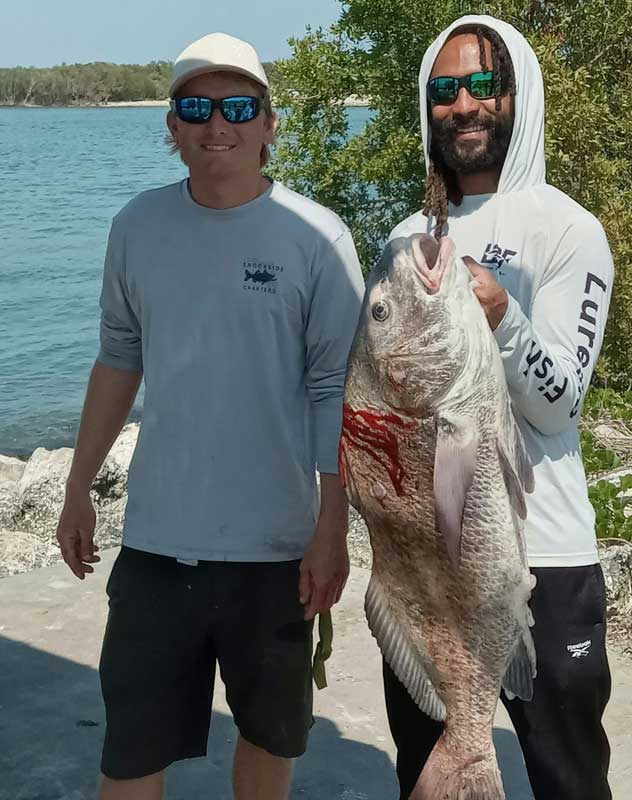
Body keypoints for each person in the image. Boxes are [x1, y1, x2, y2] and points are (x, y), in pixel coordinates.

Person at [55, 32, 365, 800]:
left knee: (269, 741)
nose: (216, 123)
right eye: (196, 106)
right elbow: (118, 359)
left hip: (277, 549)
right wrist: (76, 488)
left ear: (269, 123)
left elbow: (339, 390)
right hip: (158, 543)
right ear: (172, 126)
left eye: (238, 106)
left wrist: (333, 526)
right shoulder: (136, 227)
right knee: (129, 753)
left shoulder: (319, 237)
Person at [386, 15, 615, 800]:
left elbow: (557, 405)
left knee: (569, 780)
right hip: (424, 562)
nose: (464, 105)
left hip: (542, 564)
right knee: (430, 775)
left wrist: (500, 318)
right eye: (444, 90)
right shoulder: (406, 236)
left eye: (485, 84)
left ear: (520, 95)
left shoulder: (568, 230)